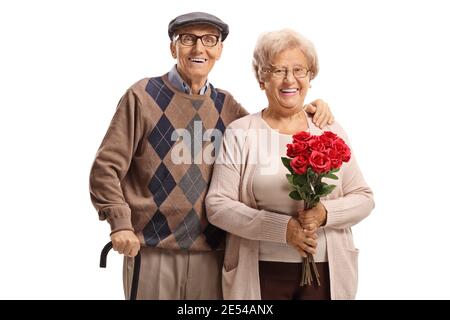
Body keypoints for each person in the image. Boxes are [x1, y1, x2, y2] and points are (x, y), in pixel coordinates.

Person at [89, 13, 334, 300]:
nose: (198, 49)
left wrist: (306, 110)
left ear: (219, 50)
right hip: (153, 249)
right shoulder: (142, 97)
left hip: (214, 253)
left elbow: (270, 128)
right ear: (173, 48)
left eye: (209, 40)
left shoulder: (226, 106)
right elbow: (105, 168)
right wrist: (120, 223)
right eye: (187, 39)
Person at [205, 29, 374, 300]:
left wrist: (325, 213)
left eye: (299, 70)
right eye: (278, 70)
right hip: (260, 272)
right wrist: (282, 229)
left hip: (326, 271)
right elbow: (218, 206)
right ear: (262, 79)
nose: (290, 80)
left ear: (310, 78)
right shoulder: (241, 133)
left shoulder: (329, 130)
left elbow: (364, 198)